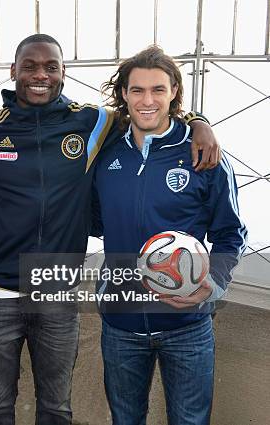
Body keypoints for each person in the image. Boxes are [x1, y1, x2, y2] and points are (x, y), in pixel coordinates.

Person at [0, 34, 220, 425]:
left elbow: (149, 109)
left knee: (57, 407)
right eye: (29, 66)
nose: (39, 75)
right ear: (13, 72)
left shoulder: (93, 122)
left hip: (56, 285)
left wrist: (200, 122)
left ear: (64, 73)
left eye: (50, 67)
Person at [92, 45, 247, 424]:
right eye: (137, 90)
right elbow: (97, 222)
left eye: (158, 90)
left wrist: (212, 282)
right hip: (121, 323)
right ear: (123, 95)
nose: (147, 101)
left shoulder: (204, 156)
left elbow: (231, 232)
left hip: (188, 327)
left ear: (174, 91)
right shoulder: (104, 155)